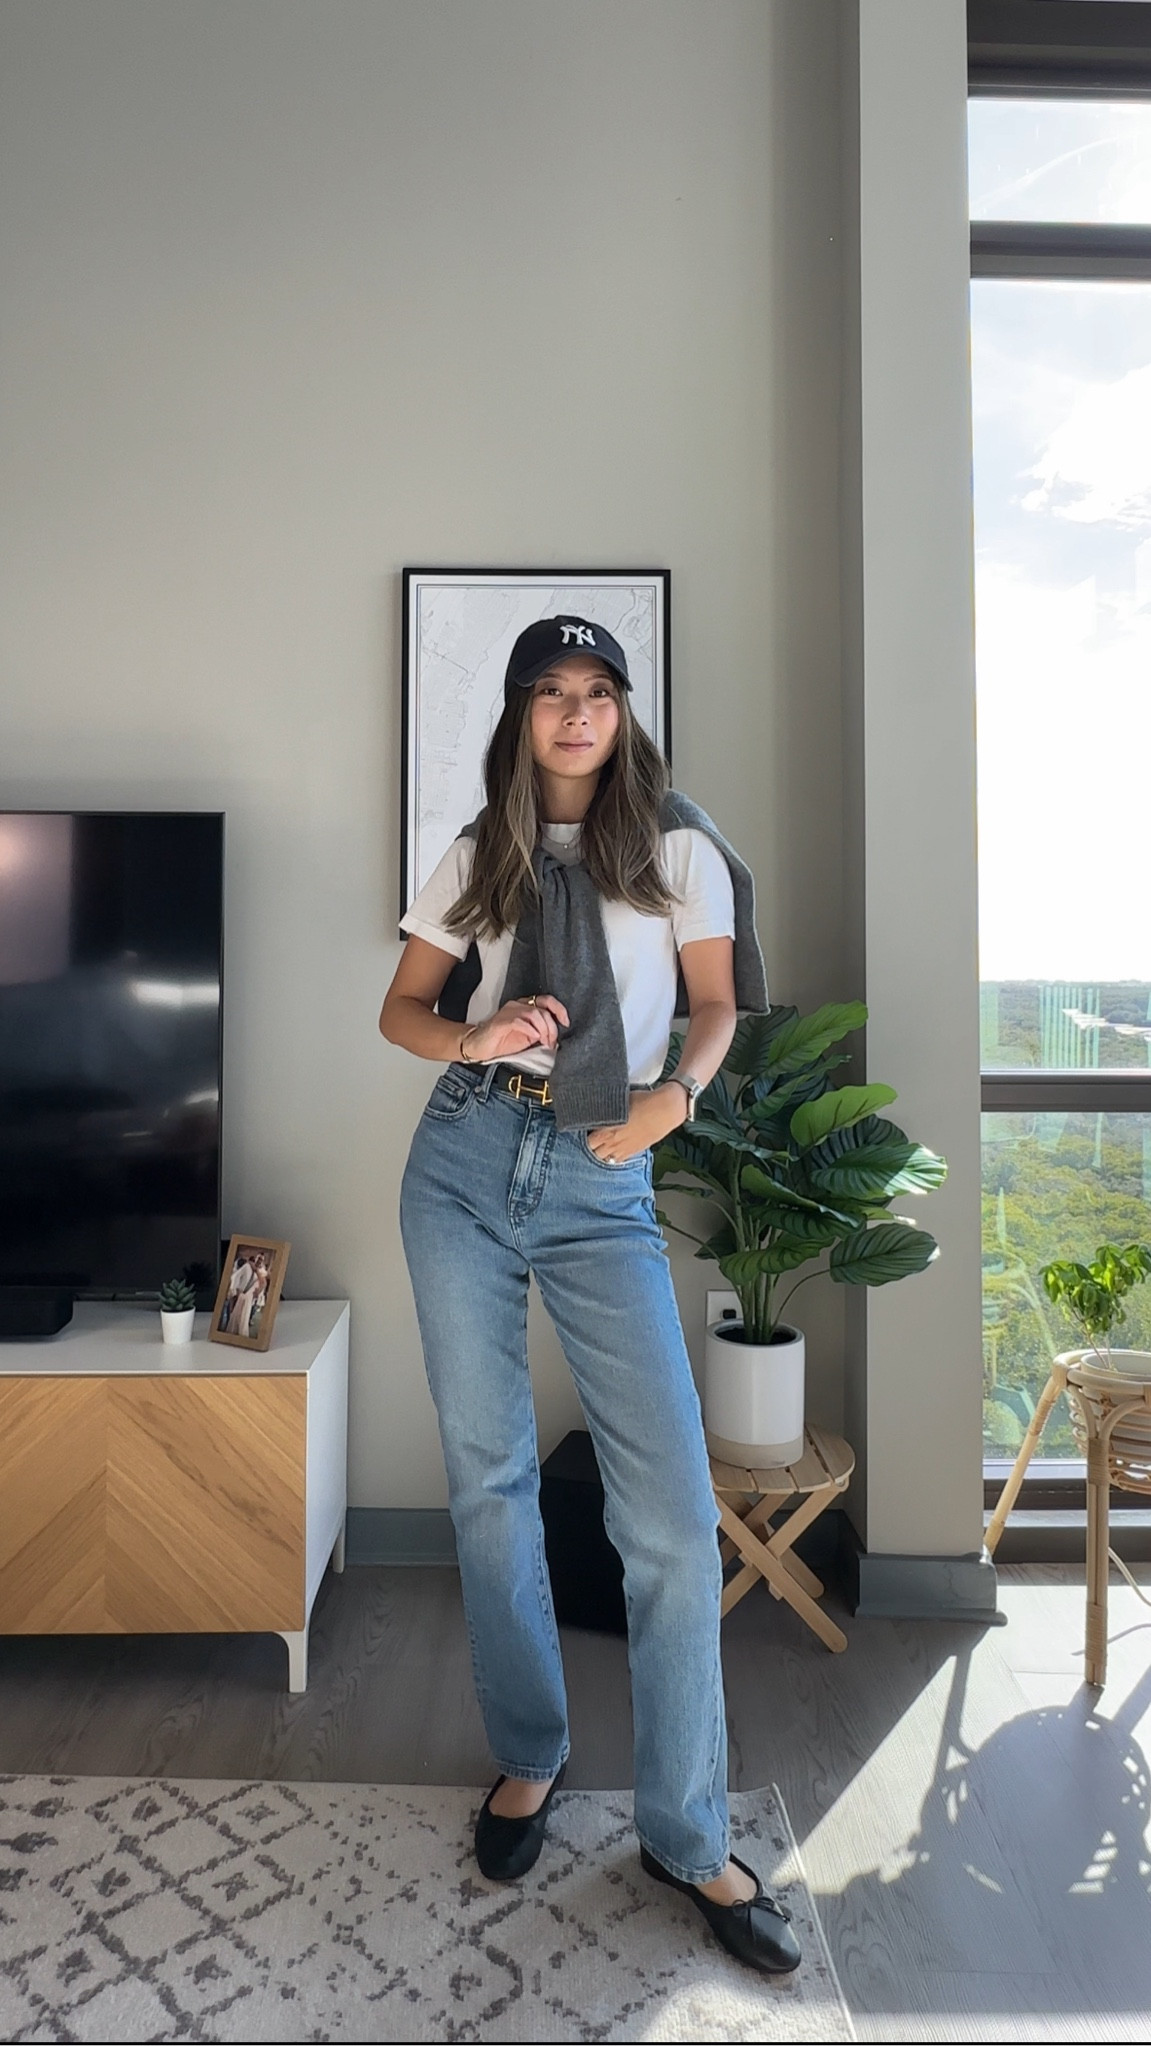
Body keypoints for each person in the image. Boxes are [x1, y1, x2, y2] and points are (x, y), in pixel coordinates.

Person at [379, 615, 800, 1976]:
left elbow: (717, 1007)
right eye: (551, 692)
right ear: (520, 712)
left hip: (602, 1168)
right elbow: (401, 1010)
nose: (576, 713)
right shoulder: (478, 851)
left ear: (623, 710)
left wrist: (676, 1097)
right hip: (460, 1160)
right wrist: (477, 1032)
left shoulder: (675, 847)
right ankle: (530, 1753)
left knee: (670, 1517)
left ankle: (689, 1832)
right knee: (489, 1477)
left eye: (598, 692)